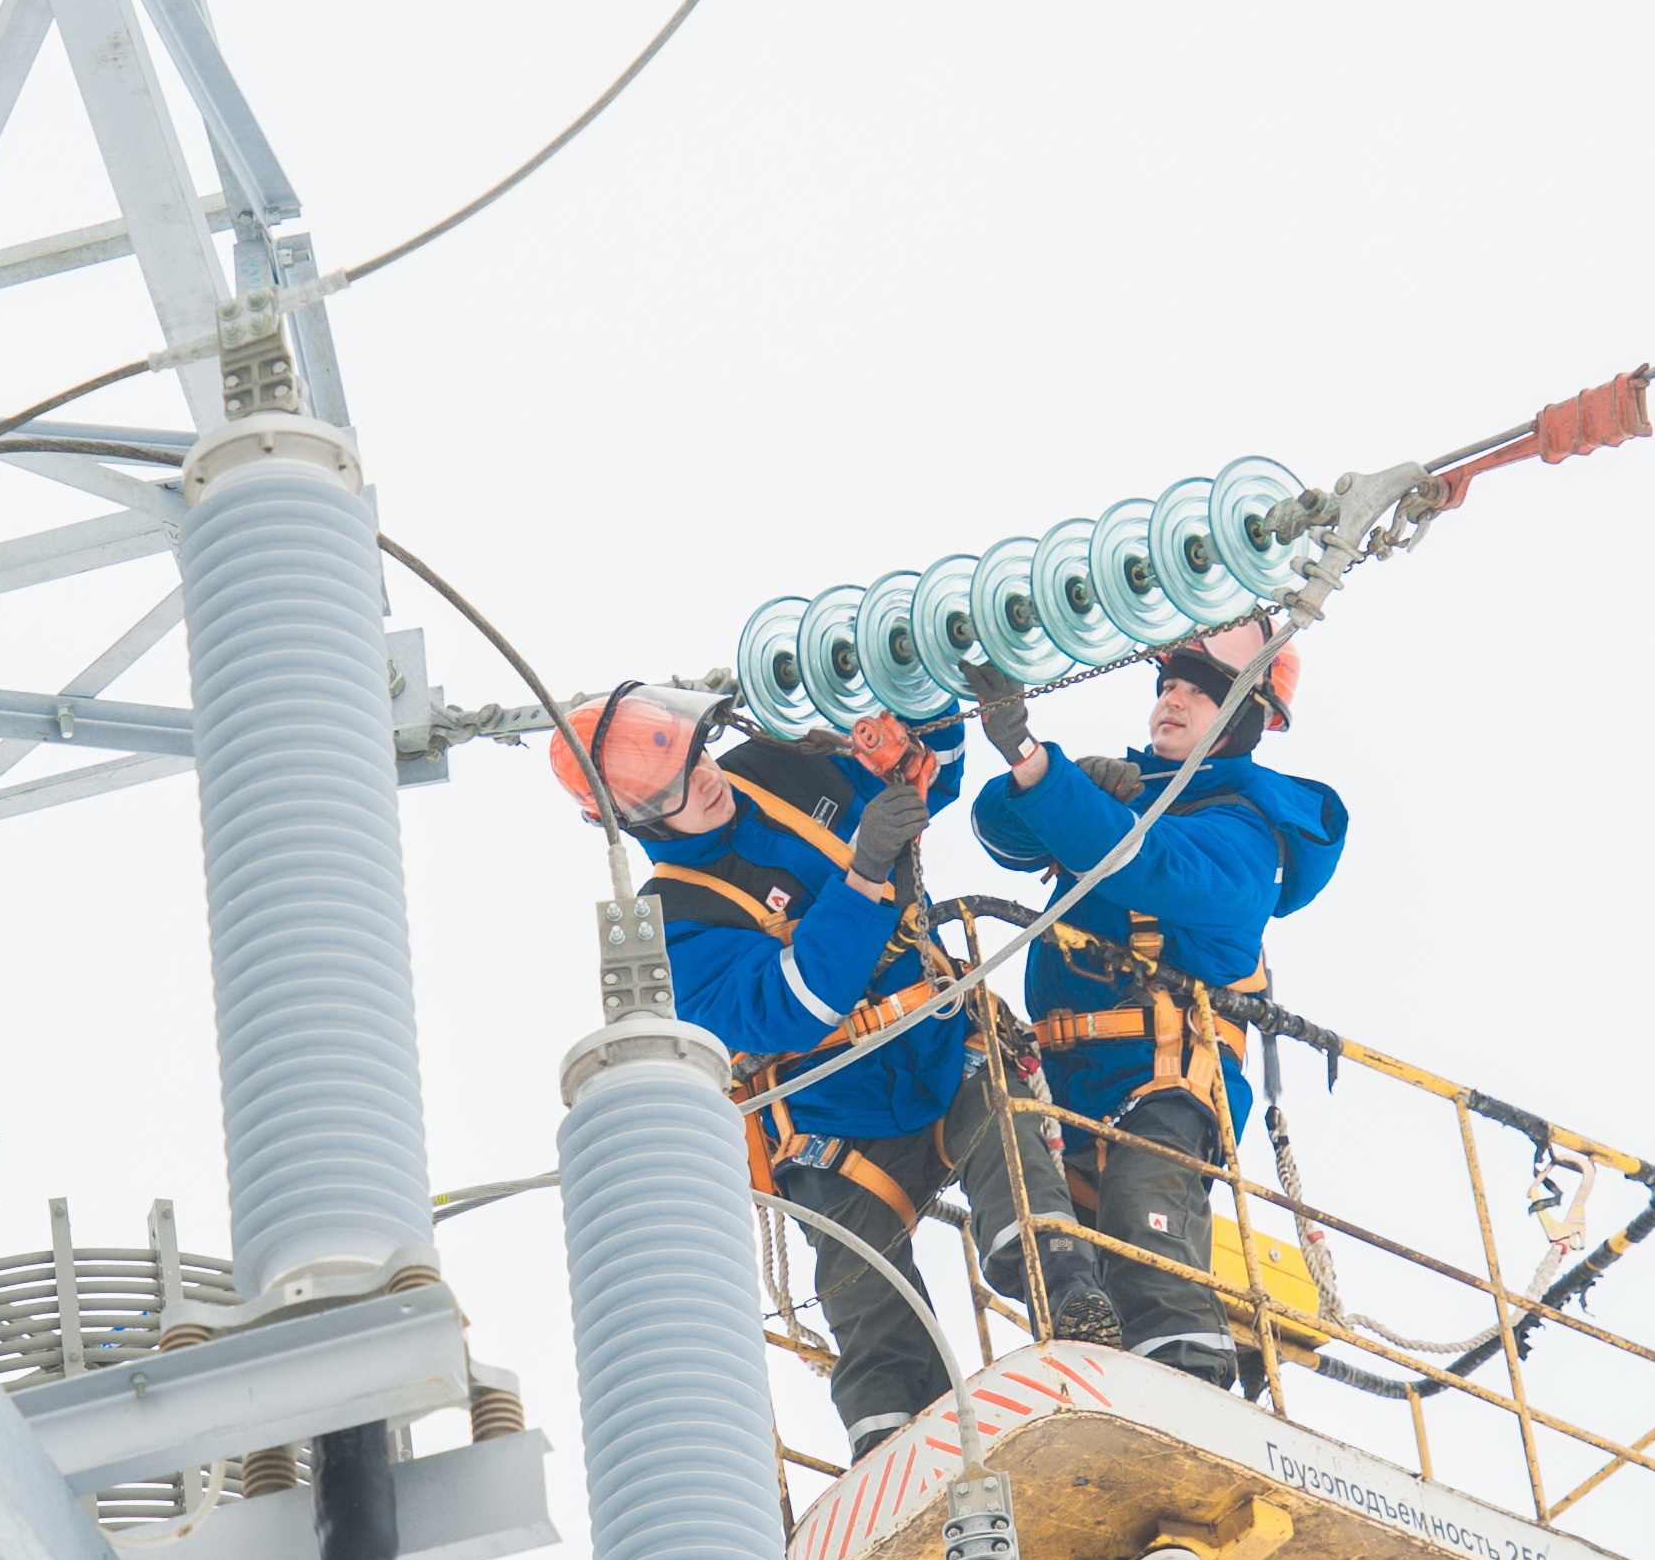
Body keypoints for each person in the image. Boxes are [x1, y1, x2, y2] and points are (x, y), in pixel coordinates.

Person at [551, 683, 1120, 1460]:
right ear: (639, 818)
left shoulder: (778, 769)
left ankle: (1072, 1305)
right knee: (867, 1297)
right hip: (835, 1117)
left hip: (940, 1046)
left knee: (1012, 1155)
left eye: (698, 755)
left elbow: (924, 778)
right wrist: (863, 873)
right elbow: (798, 1000)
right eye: (678, 784)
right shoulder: (673, 924)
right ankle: (893, 1447)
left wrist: (927, 712)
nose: (707, 777)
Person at [967, 619, 1346, 1393]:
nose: (1171, 701)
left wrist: (1040, 769)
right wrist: (1041, 784)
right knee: (1050, 1228)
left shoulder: (1247, 835)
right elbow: (997, 833)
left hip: (1163, 1080)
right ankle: (1089, 1365)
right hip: (1068, 1080)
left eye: (1198, 693)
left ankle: (1190, 1384)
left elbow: (1148, 867)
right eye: (1167, 685)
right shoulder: (1125, 798)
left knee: (1145, 1215)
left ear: (1241, 717)